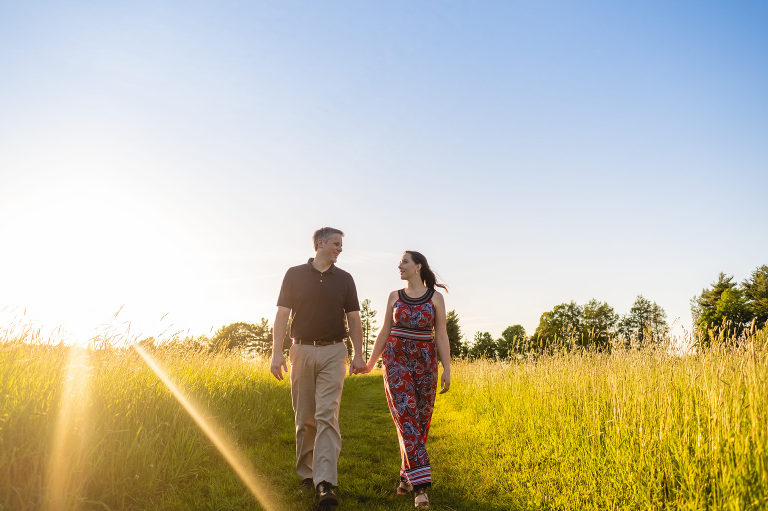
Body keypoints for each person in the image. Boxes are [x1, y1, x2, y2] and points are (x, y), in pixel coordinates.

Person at [270, 227, 367, 508]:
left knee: (327, 415)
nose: (340, 248)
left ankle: (325, 482)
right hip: (301, 349)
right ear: (320, 243)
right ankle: (307, 474)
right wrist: (276, 354)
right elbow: (281, 316)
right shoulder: (294, 274)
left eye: (341, 244)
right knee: (305, 417)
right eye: (336, 243)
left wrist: (358, 354)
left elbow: (354, 319)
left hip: (334, 351)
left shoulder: (345, 279)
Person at [364, 250, 451, 509]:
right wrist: (370, 362)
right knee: (406, 417)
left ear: (418, 266)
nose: (399, 266)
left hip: (425, 362)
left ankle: (406, 476)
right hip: (396, 360)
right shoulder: (394, 296)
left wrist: (447, 368)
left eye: (404, 262)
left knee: (420, 421)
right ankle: (421, 488)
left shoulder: (435, 298)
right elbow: (384, 331)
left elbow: (441, 334)